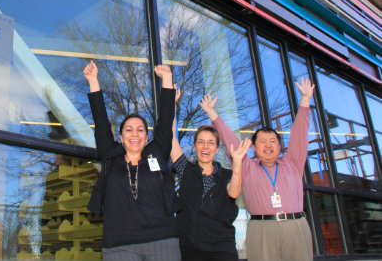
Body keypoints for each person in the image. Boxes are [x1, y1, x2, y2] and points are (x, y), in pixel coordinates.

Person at [199, 77, 315, 261]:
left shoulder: (292, 162)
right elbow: (231, 141)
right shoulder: (247, 166)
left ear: (279, 145)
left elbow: (300, 132)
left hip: (296, 226)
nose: (268, 146)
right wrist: (213, 114)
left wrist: (305, 100)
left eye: (272, 141)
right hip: (262, 228)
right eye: (262, 141)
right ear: (254, 147)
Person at [84, 60, 180, 261]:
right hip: (119, 246)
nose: (134, 134)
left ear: (146, 137)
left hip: (162, 241)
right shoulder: (111, 155)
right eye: (128, 129)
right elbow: (101, 120)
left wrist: (167, 80)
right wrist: (93, 81)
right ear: (121, 137)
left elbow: (166, 119)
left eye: (140, 130)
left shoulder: (157, 153)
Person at [171, 86, 251, 261]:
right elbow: (172, 139)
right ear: (195, 147)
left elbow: (234, 193)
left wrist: (237, 165)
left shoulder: (227, 175)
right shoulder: (186, 169)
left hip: (222, 248)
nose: (205, 147)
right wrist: (172, 106)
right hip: (190, 249)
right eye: (200, 142)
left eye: (210, 143)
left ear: (216, 148)